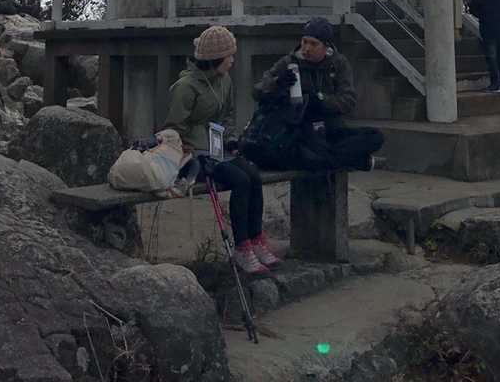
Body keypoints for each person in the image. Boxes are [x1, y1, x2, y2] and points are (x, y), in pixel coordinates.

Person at [163, 25, 279, 275]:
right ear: (216, 58)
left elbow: (227, 115)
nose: (233, 60)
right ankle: (242, 247)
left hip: (218, 149)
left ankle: (256, 239)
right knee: (240, 181)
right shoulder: (185, 87)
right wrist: (190, 153)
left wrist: (231, 139)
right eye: (229, 56)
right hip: (194, 157)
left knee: (253, 175)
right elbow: (173, 129)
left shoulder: (225, 80)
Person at [256, 18, 384, 172]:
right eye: (304, 42)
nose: (307, 48)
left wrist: (322, 100)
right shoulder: (289, 62)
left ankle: (332, 159)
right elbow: (257, 90)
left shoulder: (338, 63)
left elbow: (348, 100)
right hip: (302, 130)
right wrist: (277, 82)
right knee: (308, 151)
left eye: (313, 44)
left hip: (331, 128)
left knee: (375, 136)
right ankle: (356, 161)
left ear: (325, 46)